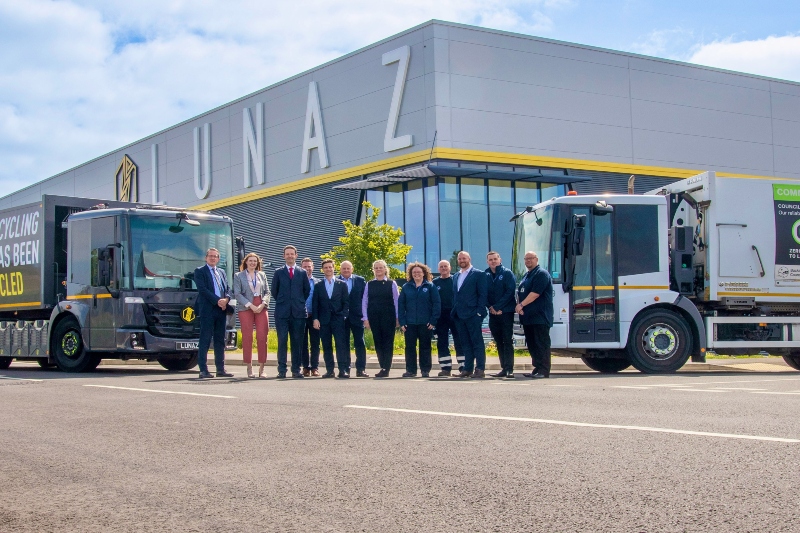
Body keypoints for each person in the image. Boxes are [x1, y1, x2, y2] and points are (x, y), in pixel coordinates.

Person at [270, 245, 311, 379]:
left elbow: (306, 291)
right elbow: (274, 291)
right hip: (282, 313)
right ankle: (282, 370)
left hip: (298, 313)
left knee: (297, 342)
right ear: (284, 256)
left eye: (292, 254)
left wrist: (297, 302)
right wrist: (284, 302)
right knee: (282, 341)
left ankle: (296, 370)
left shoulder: (302, 272)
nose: (290, 256)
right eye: (287, 254)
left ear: (296, 255)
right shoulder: (278, 272)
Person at [193, 248, 234, 379]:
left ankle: (220, 369)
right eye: (210, 256)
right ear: (206, 258)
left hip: (221, 310)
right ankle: (203, 370)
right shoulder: (200, 271)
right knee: (205, 339)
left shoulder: (221, 272)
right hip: (208, 309)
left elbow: (227, 288)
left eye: (215, 256)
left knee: (220, 340)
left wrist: (226, 299)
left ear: (218, 259)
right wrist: (218, 301)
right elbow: (202, 290)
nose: (213, 258)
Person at [515, 251, 554, 379]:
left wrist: (521, 305)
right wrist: (519, 306)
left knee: (541, 343)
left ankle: (544, 370)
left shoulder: (541, 274)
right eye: (526, 259)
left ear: (536, 259)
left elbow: (535, 293)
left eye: (530, 258)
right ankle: (537, 368)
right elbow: (521, 292)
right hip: (528, 317)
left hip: (540, 316)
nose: (528, 261)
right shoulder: (527, 275)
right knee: (532, 344)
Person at [398, 262, 441, 378]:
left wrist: (433, 321)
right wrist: (402, 322)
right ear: (411, 274)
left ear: (423, 273)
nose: (416, 274)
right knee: (410, 347)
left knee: (425, 347)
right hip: (409, 323)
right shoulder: (406, 287)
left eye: (418, 272)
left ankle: (425, 370)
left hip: (425, 323)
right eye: (414, 272)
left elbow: (437, 304)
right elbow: (401, 305)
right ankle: (411, 370)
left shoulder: (430, 286)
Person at [451, 251, 488, 379]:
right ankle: (467, 369)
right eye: (460, 258)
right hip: (460, 315)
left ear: (469, 259)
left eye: (464, 258)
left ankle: (480, 368)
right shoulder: (456, 276)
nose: (462, 260)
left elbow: (483, 295)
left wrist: (479, 312)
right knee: (465, 343)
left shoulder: (479, 274)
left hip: (473, 314)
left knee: (477, 342)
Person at [233, 252, 271, 378]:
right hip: (246, 307)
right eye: (250, 261)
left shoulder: (262, 274)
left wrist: (263, 303)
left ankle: (262, 368)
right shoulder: (238, 275)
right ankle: (249, 367)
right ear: (246, 262)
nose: (253, 263)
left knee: (262, 336)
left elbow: (267, 292)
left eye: (255, 261)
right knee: (247, 337)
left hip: (261, 306)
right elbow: (237, 294)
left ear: (258, 263)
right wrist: (250, 305)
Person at [313, 259, 351, 378]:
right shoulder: (318, 285)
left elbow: (346, 302)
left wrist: (344, 315)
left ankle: (342, 370)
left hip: (338, 319)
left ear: (334, 268)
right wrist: (315, 318)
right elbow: (315, 303)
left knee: (341, 345)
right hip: (324, 320)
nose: (328, 269)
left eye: (330, 267)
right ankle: (330, 370)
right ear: (322, 269)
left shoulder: (341, 284)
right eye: (326, 267)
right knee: (326, 345)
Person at [362, 260, 399, 378]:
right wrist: (365, 318)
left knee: (388, 343)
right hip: (374, 317)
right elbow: (365, 302)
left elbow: (396, 301)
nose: (378, 270)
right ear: (373, 270)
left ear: (385, 269)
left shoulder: (391, 283)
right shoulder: (369, 284)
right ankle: (382, 365)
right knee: (378, 342)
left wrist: (398, 317)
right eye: (376, 268)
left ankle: (386, 368)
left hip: (389, 317)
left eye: (380, 268)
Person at [485, 251, 517, 378]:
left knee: (507, 340)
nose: (493, 261)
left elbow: (510, 292)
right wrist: (491, 308)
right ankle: (503, 368)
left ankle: (510, 369)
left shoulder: (507, 273)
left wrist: (498, 307)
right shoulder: (485, 274)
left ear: (500, 259)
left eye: (495, 259)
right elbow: (483, 293)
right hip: (493, 313)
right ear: (487, 261)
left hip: (506, 312)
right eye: (490, 259)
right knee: (498, 341)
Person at [338, 261, 369, 377]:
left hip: (357, 316)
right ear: (340, 269)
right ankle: (345, 368)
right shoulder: (336, 281)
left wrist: (365, 316)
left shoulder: (360, 280)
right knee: (344, 343)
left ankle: (361, 369)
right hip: (342, 317)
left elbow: (365, 299)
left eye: (348, 268)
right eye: (344, 268)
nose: (346, 270)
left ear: (352, 269)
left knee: (360, 343)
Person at [432, 260, 463, 376]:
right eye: (441, 267)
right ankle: (445, 368)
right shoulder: (434, 283)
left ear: (450, 268)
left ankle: (463, 366)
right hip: (441, 317)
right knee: (442, 342)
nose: (444, 268)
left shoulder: (456, 279)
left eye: (446, 266)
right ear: (438, 269)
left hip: (455, 315)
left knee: (459, 341)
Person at [301, 257, 321, 376]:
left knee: (315, 343)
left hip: (315, 316)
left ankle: (315, 367)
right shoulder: (298, 281)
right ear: (301, 268)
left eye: (309, 266)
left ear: (313, 268)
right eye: (305, 267)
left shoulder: (318, 282)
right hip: (301, 316)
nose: (307, 268)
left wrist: (317, 318)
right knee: (302, 343)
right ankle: (305, 367)